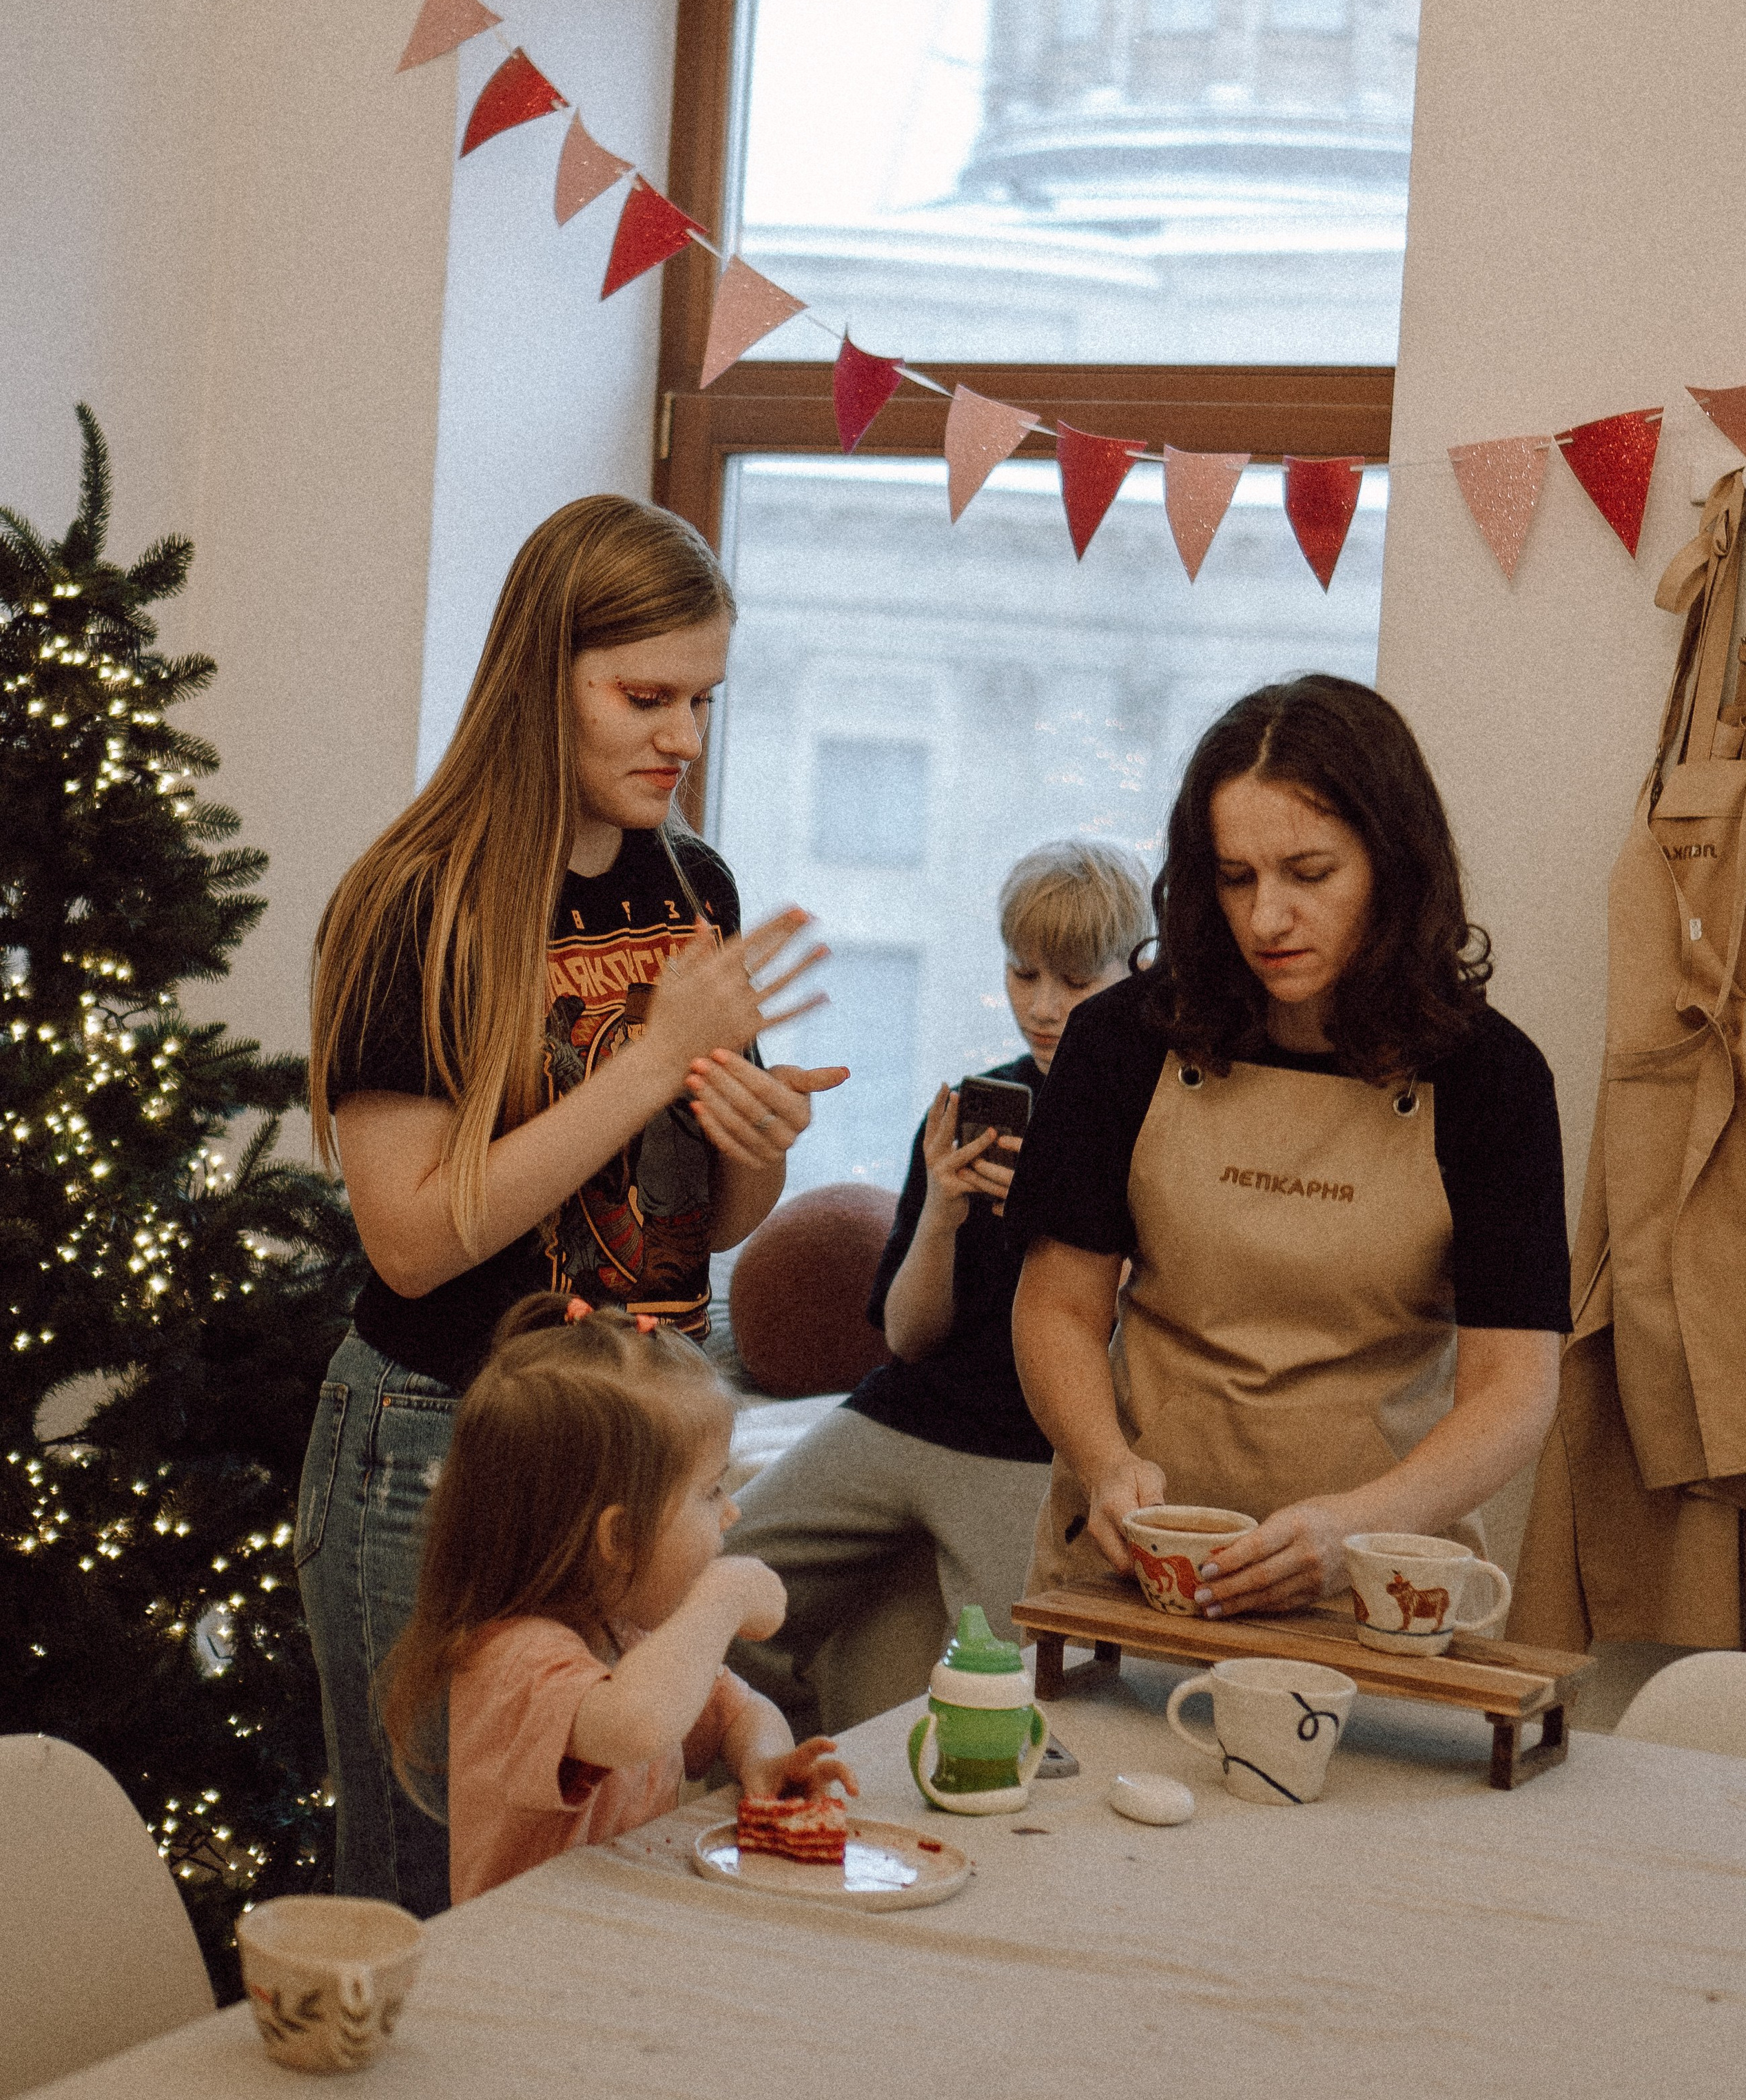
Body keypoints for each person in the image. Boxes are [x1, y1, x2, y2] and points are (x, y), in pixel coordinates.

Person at [297, 495, 843, 1915]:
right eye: (643, 696)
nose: (681, 739)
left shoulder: (687, 884)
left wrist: (757, 1141)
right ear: (541, 680)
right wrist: (655, 1058)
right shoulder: (417, 904)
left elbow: (707, 1224)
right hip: (445, 1443)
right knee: (432, 1906)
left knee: (600, 1888)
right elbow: (412, 1240)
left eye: (704, 701)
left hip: (638, 1448)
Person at [1009, 676, 1570, 1620]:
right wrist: (1104, 1462)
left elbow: (1513, 1387)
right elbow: (1058, 1311)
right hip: (1140, 1567)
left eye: (1309, 875)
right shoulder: (1121, 1043)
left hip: (1381, 1575)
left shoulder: (1492, 1079)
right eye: (1237, 878)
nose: (1268, 918)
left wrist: (1359, 1526)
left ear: (1393, 867)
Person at [732, 841, 1153, 1733]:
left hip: (1029, 1449)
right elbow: (908, 1339)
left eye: (1074, 981)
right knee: (718, 1592)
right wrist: (939, 1216)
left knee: (1016, 1698)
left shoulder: (1155, 1125)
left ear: (1134, 974)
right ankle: (787, 1763)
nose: (1041, 1007)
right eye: (1021, 972)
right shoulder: (975, 1106)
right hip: (903, 1414)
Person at [378, 1294, 856, 1903]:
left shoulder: (627, 1634)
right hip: (536, 1966)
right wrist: (724, 1594)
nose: (731, 1511)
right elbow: (637, 1725)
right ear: (618, 1536)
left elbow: (742, 1711)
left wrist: (764, 1763)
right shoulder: (517, 1662)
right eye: (710, 1492)